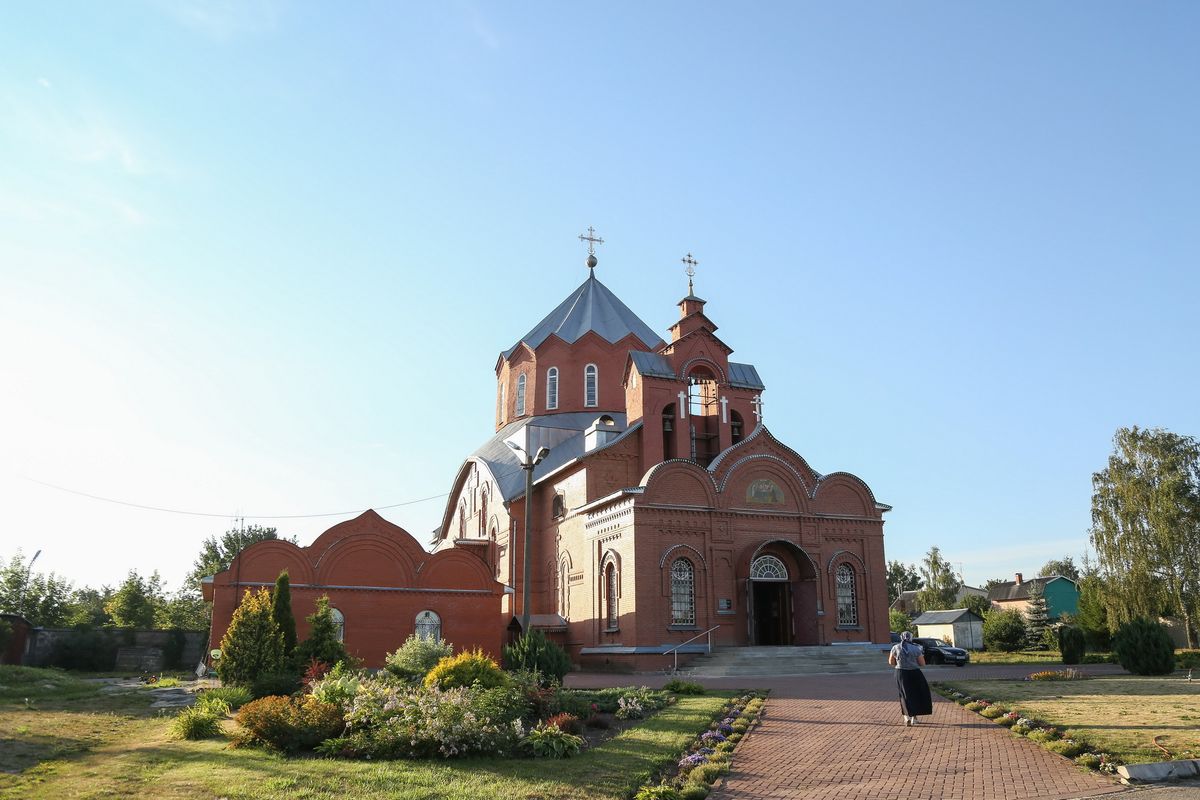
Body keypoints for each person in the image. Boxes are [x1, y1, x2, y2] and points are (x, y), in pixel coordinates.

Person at [888, 631, 932, 726]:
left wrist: (900, 662)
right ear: (910, 638)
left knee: (903, 694)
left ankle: (906, 716)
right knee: (915, 694)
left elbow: (891, 662)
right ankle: (914, 718)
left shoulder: (895, 647)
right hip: (914, 673)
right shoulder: (916, 648)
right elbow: (922, 663)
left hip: (901, 673)